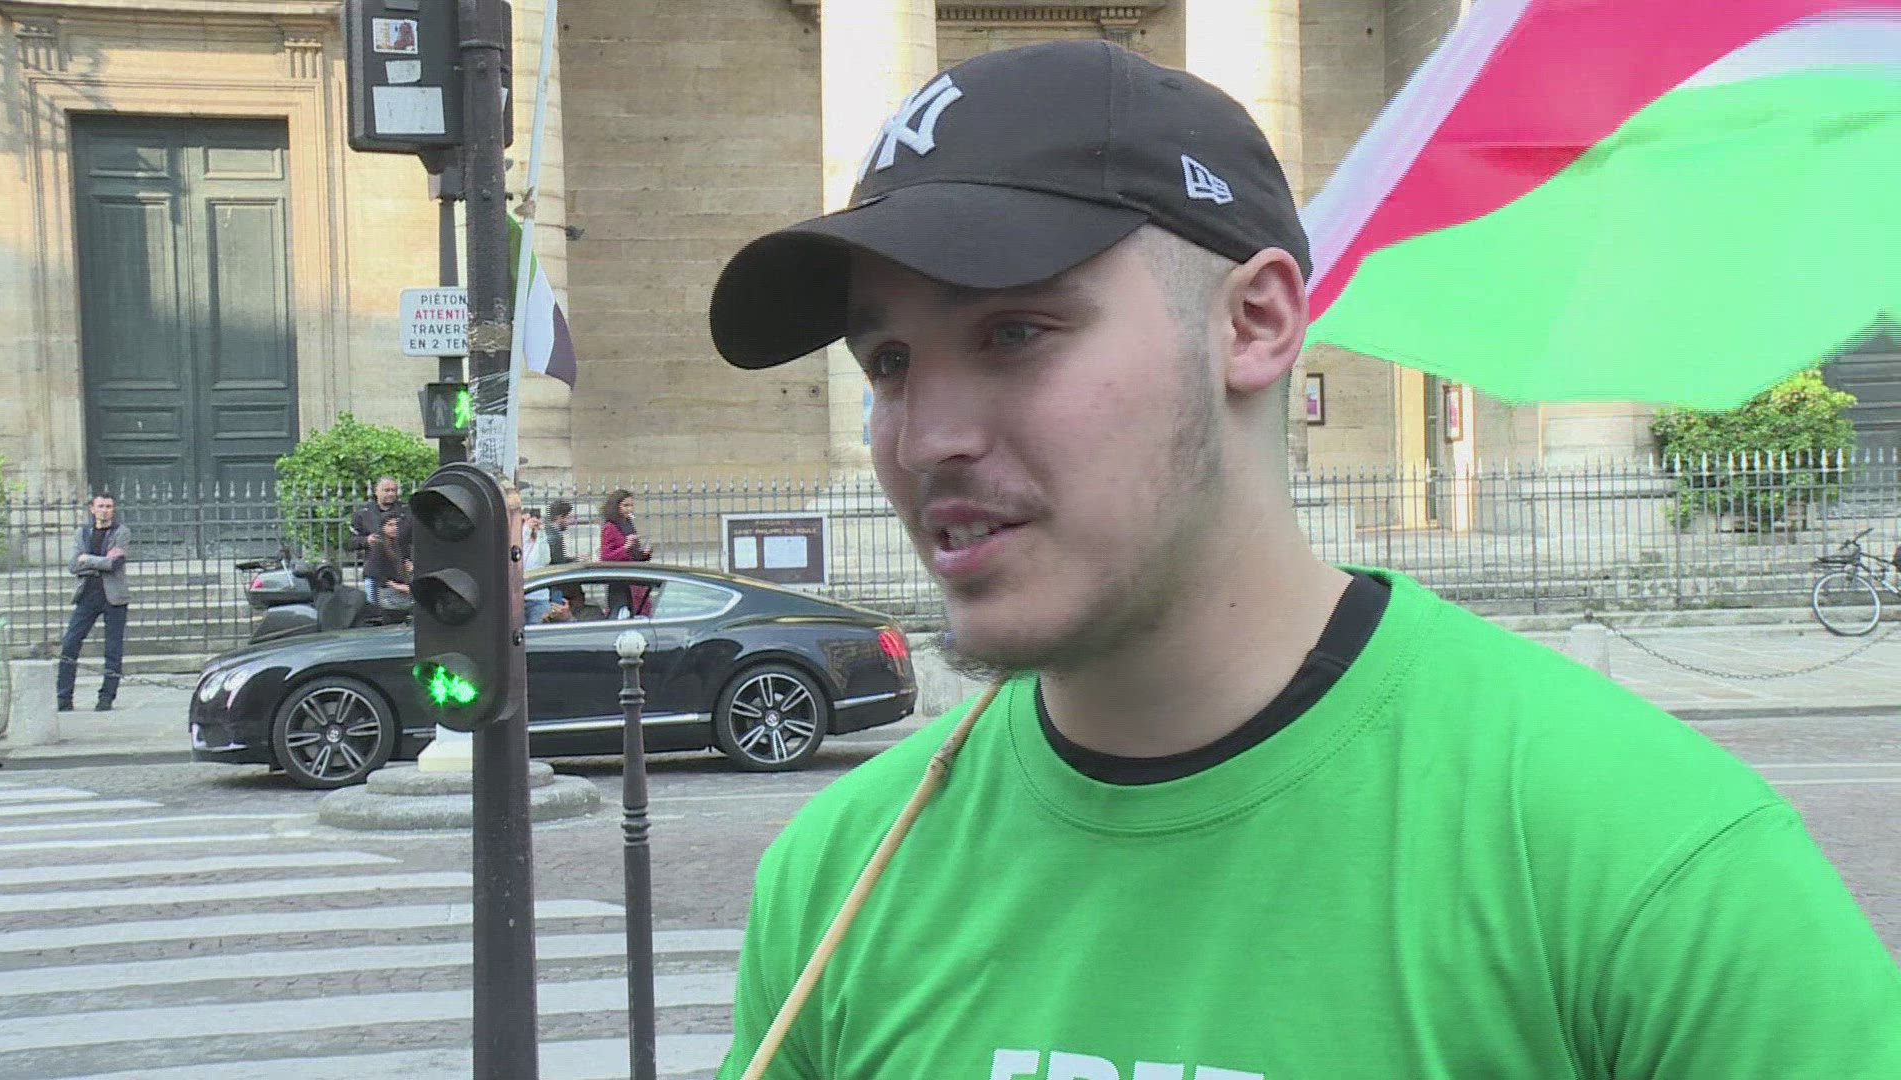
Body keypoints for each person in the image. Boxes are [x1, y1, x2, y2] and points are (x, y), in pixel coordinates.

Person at [705, 41, 1901, 1080]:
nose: (925, 439)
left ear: (1256, 323)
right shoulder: (838, 878)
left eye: (1015, 332)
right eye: (890, 364)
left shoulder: (1650, 862)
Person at [57, 491, 129, 712]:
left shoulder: (121, 532)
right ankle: (63, 696)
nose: (105, 511)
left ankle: (106, 697)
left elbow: (114, 564)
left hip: (114, 597)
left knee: (113, 649)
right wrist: (101, 561)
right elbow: (73, 565)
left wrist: (87, 559)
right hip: (87, 594)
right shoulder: (82, 533)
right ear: (92, 509)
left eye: (109, 506)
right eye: (101, 506)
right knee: (70, 642)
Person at [349, 476, 409, 601]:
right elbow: (351, 541)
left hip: (402, 573)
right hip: (375, 573)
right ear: (376, 491)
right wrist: (366, 540)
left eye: (393, 490)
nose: (391, 494)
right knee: (374, 609)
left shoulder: (406, 511)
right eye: (387, 490)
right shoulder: (363, 513)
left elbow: (416, 539)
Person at [599, 489, 653, 617]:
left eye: (631, 505)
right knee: (621, 612)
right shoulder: (610, 527)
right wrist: (625, 547)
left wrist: (644, 554)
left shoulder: (628, 524)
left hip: (632, 577)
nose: (629, 509)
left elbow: (632, 555)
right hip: (620, 580)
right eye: (625, 505)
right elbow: (606, 556)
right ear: (616, 507)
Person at [362, 516, 413, 611]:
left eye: (396, 525)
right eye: (390, 525)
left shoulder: (398, 545)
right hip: (379, 586)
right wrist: (395, 585)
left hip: (393, 586)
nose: (394, 528)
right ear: (383, 527)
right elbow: (373, 571)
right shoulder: (379, 545)